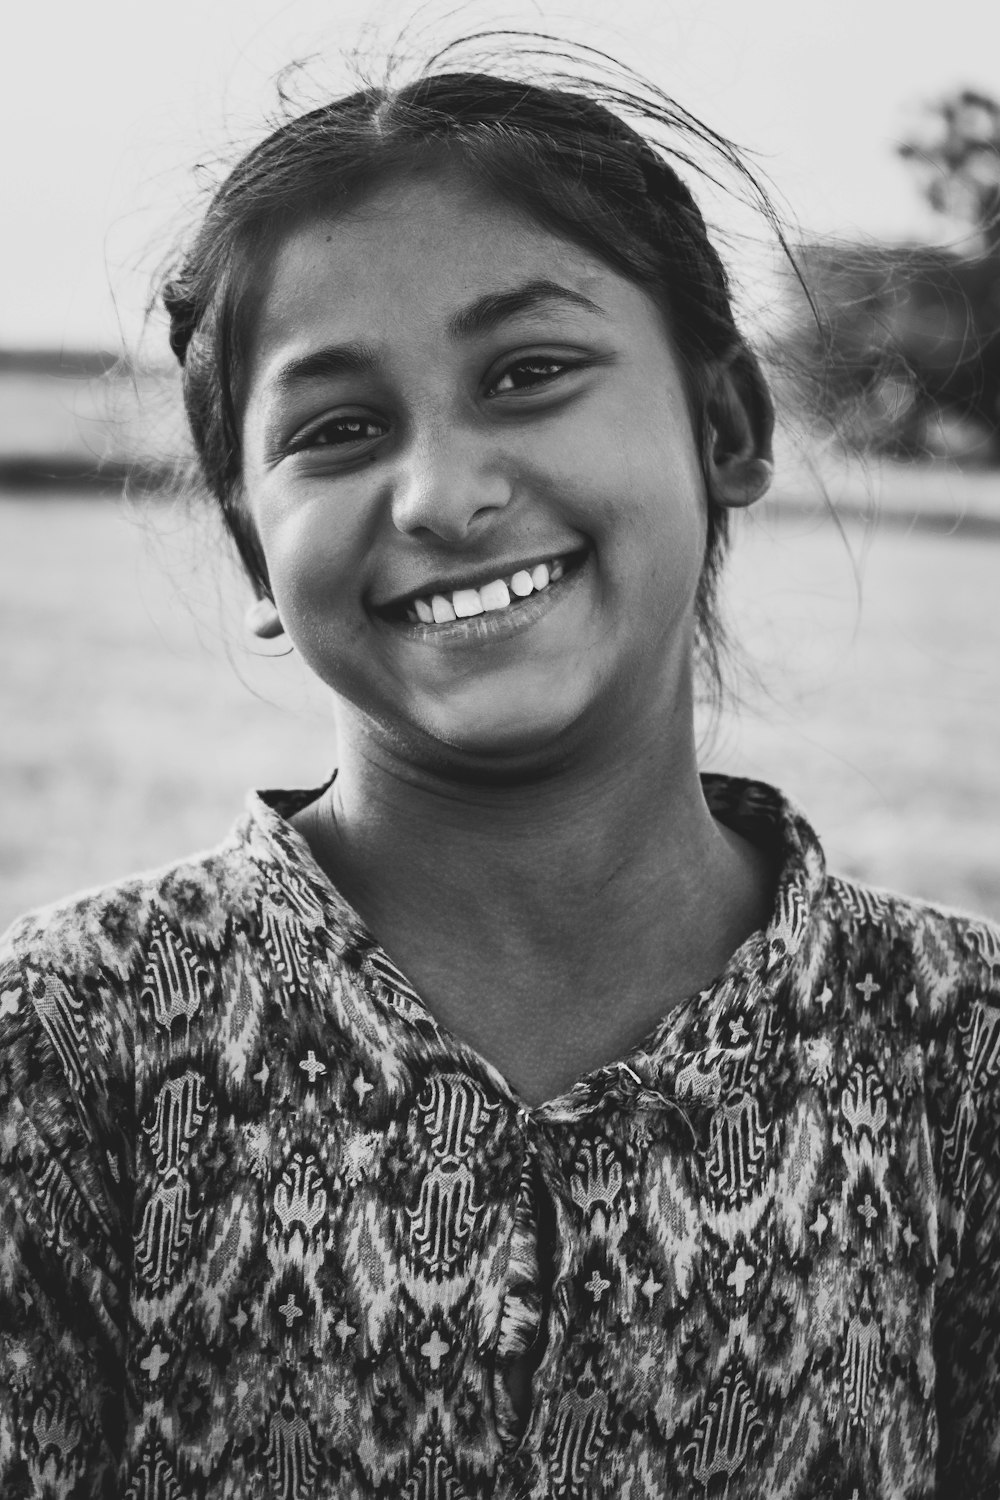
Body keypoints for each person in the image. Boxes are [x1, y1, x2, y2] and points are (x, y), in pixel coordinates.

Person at [1, 43, 999, 1500]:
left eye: (529, 374)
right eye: (338, 430)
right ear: (251, 547)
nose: (443, 495)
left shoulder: (956, 1060)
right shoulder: (72, 1047)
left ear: (726, 425)